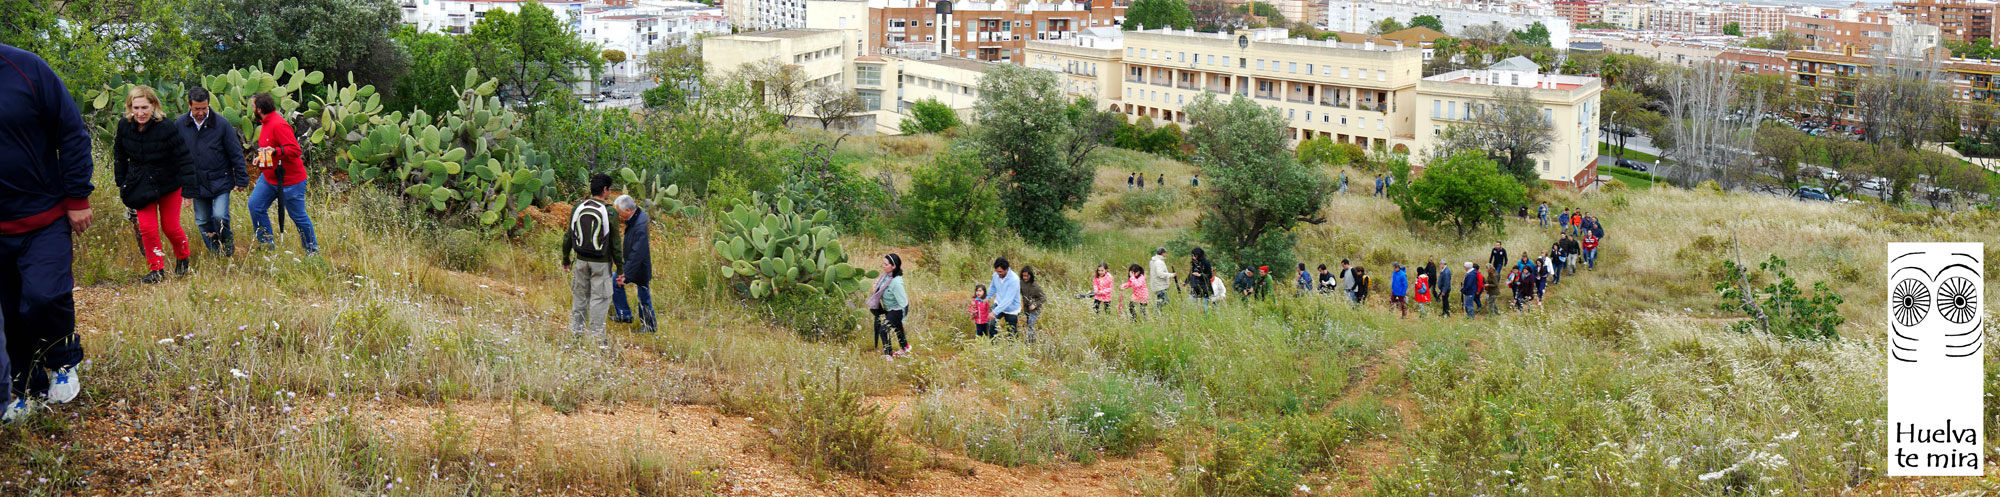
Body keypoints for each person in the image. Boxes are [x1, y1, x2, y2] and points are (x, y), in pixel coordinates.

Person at [0, 43, 95, 420]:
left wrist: (77, 196)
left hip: (44, 216)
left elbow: (71, 132)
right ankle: (24, 387)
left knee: (42, 296)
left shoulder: (27, 68)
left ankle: (64, 358)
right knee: (8, 313)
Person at [113, 85, 197, 283]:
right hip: (140, 184)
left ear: (153, 106)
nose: (140, 113)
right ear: (130, 108)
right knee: (147, 229)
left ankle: (183, 258)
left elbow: (184, 158)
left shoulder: (167, 127)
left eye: (144, 108)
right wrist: (122, 183)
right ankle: (156, 270)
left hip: (168, 183)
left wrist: (189, 191)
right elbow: (120, 155)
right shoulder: (124, 126)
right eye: (136, 108)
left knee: (170, 227)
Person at [176, 86, 248, 257]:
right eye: (197, 109)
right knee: (202, 221)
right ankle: (215, 253)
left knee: (220, 216)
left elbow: (235, 152)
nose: (201, 112)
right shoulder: (179, 125)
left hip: (220, 179)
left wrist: (241, 178)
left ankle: (227, 241)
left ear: (208, 104)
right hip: (196, 181)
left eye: (204, 108)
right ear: (189, 105)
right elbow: (175, 155)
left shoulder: (222, 124)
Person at [245, 92, 318, 254]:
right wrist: (260, 158)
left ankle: (312, 251)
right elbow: (269, 150)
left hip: (291, 181)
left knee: (298, 216)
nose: (251, 109)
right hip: (270, 178)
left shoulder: (279, 124)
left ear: (259, 109)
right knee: (255, 206)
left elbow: (294, 149)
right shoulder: (265, 122)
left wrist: (275, 151)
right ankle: (266, 245)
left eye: (252, 106)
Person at [563, 174, 622, 339]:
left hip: (581, 261)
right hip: (601, 264)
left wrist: (565, 259)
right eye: (609, 189)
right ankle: (595, 339)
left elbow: (568, 236)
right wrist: (621, 269)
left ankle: (576, 334)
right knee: (600, 299)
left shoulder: (578, 208)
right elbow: (615, 244)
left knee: (580, 297)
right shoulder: (610, 212)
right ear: (605, 190)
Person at [610, 195, 655, 333]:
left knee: (643, 296)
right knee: (614, 280)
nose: (618, 215)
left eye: (620, 212)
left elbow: (637, 253)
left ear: (628, 210)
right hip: (632, 265)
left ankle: (649, 327)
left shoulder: (640, 225)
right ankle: (624, 315)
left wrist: (625, 273)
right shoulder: (636, 215)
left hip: (640, 267)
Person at [866, 254, 909, 356]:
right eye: (883, 263)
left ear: (893, 266)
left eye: (886, 264)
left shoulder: (896, 283)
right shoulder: (885, 276)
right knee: (898, 329)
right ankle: (905, 348)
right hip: (888, 308)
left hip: (897, 310)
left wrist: (903, 319)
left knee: (883, 330)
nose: (883, 266)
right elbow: (877, 286)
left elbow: (904, 303)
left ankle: (888, 355)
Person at [987, 257, 1021, 337]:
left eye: (1000, 272)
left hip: (1011, 308)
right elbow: (993, 287)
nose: (998, 274)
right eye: (997, 271)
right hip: (998, 303)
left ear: (1006, 269)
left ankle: (1012, 347)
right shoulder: (996, 275)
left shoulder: (1014, 279)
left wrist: (994, 312)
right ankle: (994, 344)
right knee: (991, 324)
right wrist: (987, 297)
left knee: (1011, 331)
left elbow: (1008, 300)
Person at [1020, 266, 1045, 343]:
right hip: (1026, 309)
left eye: (1027, 276)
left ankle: (1029, 342)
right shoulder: (1021, 283)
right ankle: (1032, 342)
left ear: (1030, 275)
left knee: (1030, 324)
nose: (1025, 277)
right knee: (1029, 325)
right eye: (1023, 275)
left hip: (1035, 310)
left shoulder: (1035, 286)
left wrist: (1035, 304)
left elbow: (1043, 297)